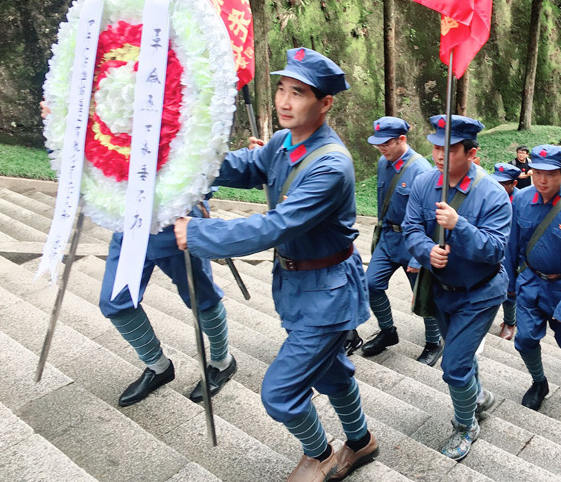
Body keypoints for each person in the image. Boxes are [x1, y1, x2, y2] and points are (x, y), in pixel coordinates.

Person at [178, 48, 376, 482]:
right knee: (333, 372)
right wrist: (187, 165)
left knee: (280, 393)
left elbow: (275, 226)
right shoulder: (285, 141)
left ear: (324, 104)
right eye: (282, 89)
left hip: (328, 293)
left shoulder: (330, 164)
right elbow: (246, 167)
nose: (284, 101)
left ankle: (319, 455)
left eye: (299, 93)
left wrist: (195, 234)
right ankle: (361, 443)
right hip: (296, 283)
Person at [403, 115, 511, 461]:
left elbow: (496, 249)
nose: (438, 155)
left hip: (480, 292)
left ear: (472, 153)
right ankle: (477, 396)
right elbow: (410, 228)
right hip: (442, 288)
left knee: (453, 366)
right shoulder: (423, 183)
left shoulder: (492, 193)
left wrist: (458, 225)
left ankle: (466, 425)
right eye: (435, 147)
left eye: (448, 149)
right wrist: (425, 250)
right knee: (460, 355)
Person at [100, 201, 236, 407]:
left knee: (203, 299)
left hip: (175, 225)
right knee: (115, 302)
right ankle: (158, 367)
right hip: (130, 228)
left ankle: (222, 362)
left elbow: (207, 172)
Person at [505, 145, 561, 411]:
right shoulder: (521, 199)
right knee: (525, 340)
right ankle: (539, 382)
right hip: (531, 281)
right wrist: (509, 284)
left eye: (551, 174)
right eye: (537, 173)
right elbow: (512, 245)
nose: (542, 180)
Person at [359, 117, 442, 365]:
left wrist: (420, 254)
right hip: (388, 239)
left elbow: (432, 217)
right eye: (378, 144)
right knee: (370, 284)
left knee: (423, 296)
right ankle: (388, 331)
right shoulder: (383, 164)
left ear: (401, 140)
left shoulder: (421, 171)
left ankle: (433, 342)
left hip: (414, 242)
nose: (381, 149)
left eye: (386, 144)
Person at [493, 163, 521, 340]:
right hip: (493, 247)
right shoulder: (490, 194)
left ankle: (510, 322)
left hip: (512, 251)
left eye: (505, 183)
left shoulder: (520, 201)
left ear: (514, 184)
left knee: (509, 291)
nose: (500, 187)